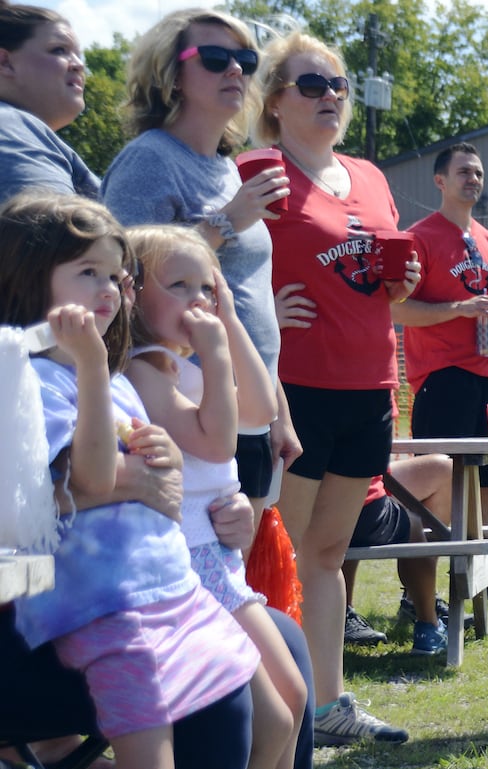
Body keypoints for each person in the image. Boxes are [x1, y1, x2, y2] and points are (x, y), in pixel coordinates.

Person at [0, 191, 266, 769]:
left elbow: (155, 471)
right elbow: (81, 479)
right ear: (24, 277)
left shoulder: (102, 375)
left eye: (117, 275)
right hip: (65, 608)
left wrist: (155, 473)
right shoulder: (17, 366)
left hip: (151, 594)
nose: (112, 291)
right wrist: (130, 473)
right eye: (89, 273)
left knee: (239, 687)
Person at [125, 224, 347, 769]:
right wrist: (215, 348)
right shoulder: (149, 368)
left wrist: (231, 324)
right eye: (177, 286)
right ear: (134, 293)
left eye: (206, 287)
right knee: (272, 709)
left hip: (218, 563)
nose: (197, 302)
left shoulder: (186, 360)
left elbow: (253, 414)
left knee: (288, 693)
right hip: (182, 575)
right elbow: (221, 444)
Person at [253, 31, 419, 747]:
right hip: (295, 387)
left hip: (369, 384)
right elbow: (206, 257)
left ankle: (327, 707)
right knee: (279, 551)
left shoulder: (369, 175)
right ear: (275, 101)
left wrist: (402, 285)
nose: (330, 96)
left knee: (326, 555)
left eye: (337, 84)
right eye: (310, 84)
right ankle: (272, 711)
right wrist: (259, 301)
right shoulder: (257, 169)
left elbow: (381, 273)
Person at [101, 6, 299, 541]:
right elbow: (120, 277)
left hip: (245, 405)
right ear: (171, 74)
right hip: (179, 405)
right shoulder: (149, 160)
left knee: (239, 580)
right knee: (206, 584)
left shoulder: (230, 166)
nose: (236, 70)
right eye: (215, 58)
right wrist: (227, 223)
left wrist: (276, 409)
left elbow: (247, 300)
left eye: (245, 60)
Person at [394, 141, 488, 615]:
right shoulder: (419, 238)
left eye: (478, 173)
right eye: (463, 172)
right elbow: (398, 309)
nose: (473, 179)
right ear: (440, 181)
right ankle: (418, 594)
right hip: (445, 379)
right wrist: (459, 308)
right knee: (441, 486)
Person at [340, 451, 454, 655]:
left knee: (445, 469)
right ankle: (428, 622)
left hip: (308, 484)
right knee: (411, 524)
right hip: (345, 492)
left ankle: (415, 600)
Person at [0, 3, 96, 200]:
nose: (79, 65)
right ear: (5, 62)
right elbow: (55, 227)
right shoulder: (9, 125)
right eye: (59, 50)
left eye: (78, 55)